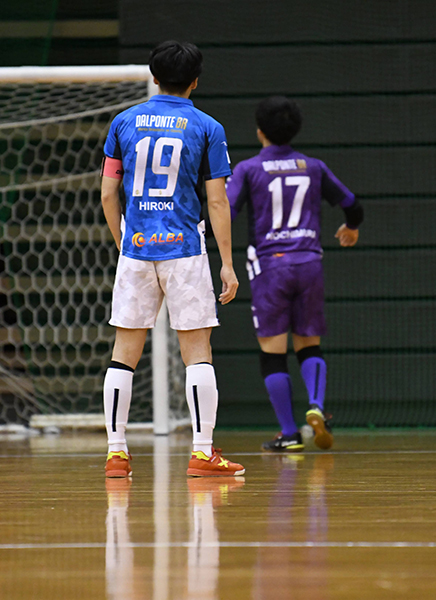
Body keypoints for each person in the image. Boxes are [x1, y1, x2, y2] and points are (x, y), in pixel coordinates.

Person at [99, 41, 244, 477]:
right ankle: (202, 453)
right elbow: (217, 202)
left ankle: (116, 454)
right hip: (185, 251)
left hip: (137, 247)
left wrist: (124, 241)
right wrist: (227, 263)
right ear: (195, 80)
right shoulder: (207, 127)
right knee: (197, 353)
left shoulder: (123, 122)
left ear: (154, 76)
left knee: (123, 353)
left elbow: (108, 193)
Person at [226, 96, 363, 452]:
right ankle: (316, 405)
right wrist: (351, 227)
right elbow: (352, 205)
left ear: (260, 131)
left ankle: (289, 434)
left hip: (271, 268)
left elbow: (225, 213)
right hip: (309, 264)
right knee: (309, 345)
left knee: (273, 353)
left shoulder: (248, 169)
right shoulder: (313, 166)